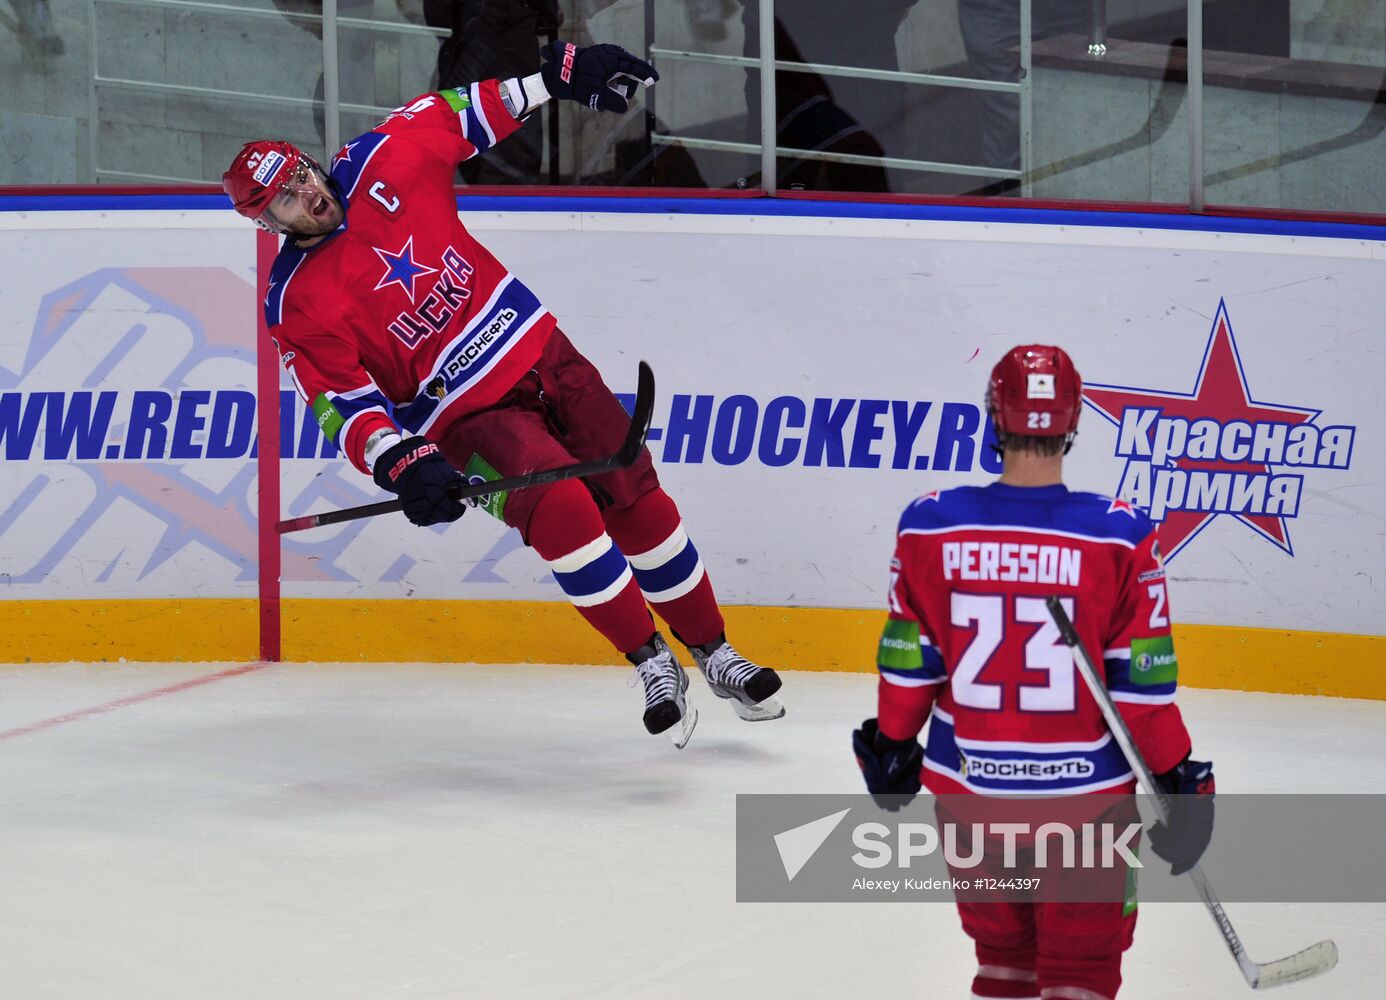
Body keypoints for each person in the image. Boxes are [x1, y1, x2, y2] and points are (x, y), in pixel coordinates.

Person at [222, 40, 784, 748]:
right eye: (285, 200)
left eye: (301, 176)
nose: (309, 194)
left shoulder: (379, 158)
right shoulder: (294, 302)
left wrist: (555, 77)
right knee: (566, 515)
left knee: (637, 496)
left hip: (542, 351)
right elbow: (344, 405)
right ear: (266, 222)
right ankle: (651, 661)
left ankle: (717, 653)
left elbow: (466, 111)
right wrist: (402, 462)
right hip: (465, 419)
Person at [852, 345, 1215, 999]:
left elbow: (909, 664)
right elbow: (1143, 693)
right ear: (1073, 422)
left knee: (1003, 962)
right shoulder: (1120, 536)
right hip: (1086, 804)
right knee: (1081, 972)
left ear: (995, 417)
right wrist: (1184, 781)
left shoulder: (930, 525)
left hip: (970, 799)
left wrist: (893, 742)